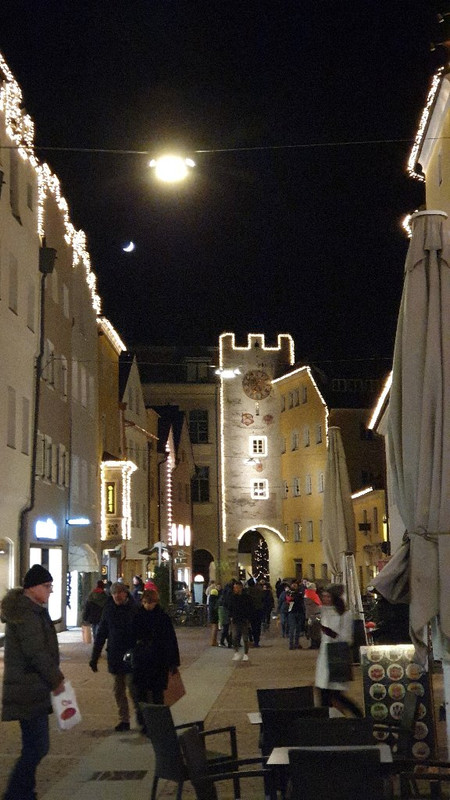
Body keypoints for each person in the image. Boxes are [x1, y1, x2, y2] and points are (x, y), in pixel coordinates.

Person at [1, 564, 65, 800]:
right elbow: (36, 652)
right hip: (27, 689)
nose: (50, 591)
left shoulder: (32, 610)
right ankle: (17, 794)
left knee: (34, 746)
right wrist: (55, 680)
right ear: (32, 588)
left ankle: (24, 792)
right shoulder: (27, 614)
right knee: (37, 746)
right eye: (47, 587)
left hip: (31, 688)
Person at [89, 581, 138, 731]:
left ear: (125, 593)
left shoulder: (134, 609)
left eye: (119, 592)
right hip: (115, 655)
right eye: (114, 593)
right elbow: (101, 633)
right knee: (118, 689)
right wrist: (94, 656)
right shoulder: (109, 609)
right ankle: (124, 719)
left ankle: (142, 717)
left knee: (133, 688)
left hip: (131, 655)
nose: (117, 595)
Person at [131, 589, 180, 727]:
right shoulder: (137, 616)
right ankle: (144, 723)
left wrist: (173, 662)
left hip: (159, 660)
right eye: (145, 602)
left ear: (155, 602)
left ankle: (158, 722)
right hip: (141, 660)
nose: (147, 605)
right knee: (141, 693)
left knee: (157, 694)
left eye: (150, 602)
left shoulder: (162, 617)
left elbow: (171, 640)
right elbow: (131, 636)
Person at [315, 584, 363, 717]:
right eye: (323, 596)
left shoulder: (345, 614)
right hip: (324, 658)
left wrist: (332, 634)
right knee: (324, 693)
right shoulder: (323, 611)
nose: (325, 599)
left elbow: (348, 639)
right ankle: (328, 722)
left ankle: (358, 715)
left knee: (336, 695)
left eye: (328, 596)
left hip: (337, 656)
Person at [228, 581, 254, 662]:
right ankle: (236, 652)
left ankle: (246, 654)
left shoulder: (246, 597)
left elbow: (250, 608)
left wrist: (249, 618)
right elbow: (230, 607)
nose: (235, 589)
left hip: (244, 619)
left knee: (245, 638)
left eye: (237, 587)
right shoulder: (232, 597)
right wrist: (230, 616)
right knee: (235, 636)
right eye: (234, 588)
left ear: (241, 587)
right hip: (235, 620)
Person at [287, 580, 306, 650]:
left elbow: (300, 600)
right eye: (293, 584)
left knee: (298, 629)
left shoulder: (300, 592)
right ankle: (291, 644)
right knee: (292, 628)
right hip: (292, 612)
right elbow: (289, 600)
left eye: (295, 585)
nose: (294, 586)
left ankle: (296, 643)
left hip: (299, 611)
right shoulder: (289, 592)